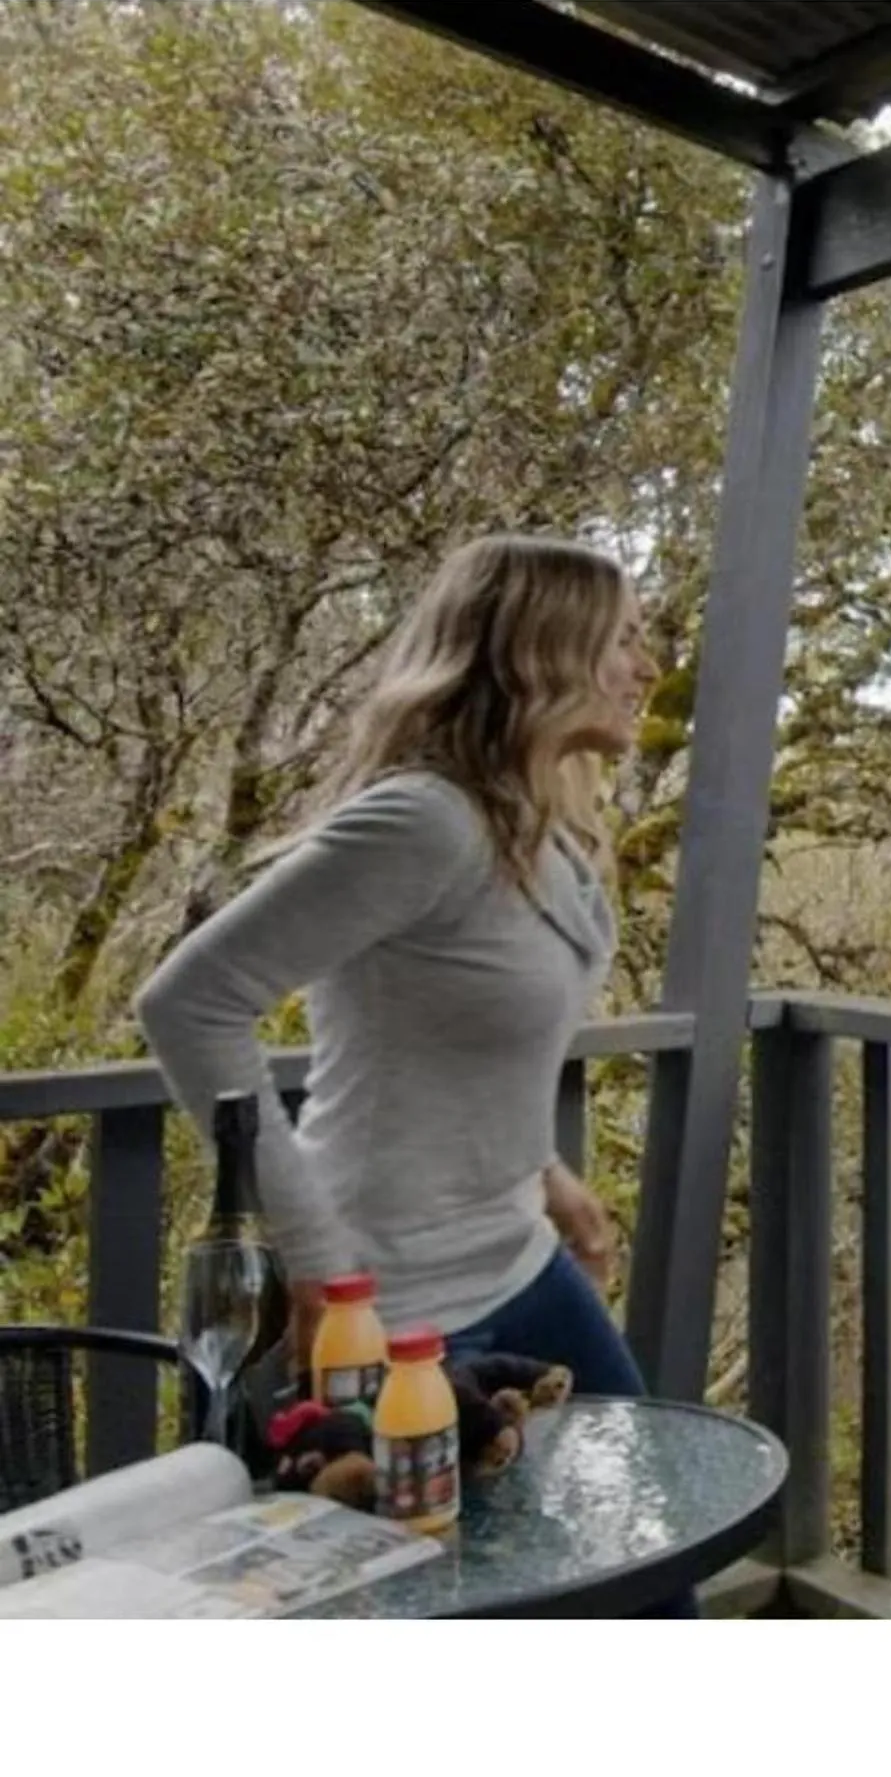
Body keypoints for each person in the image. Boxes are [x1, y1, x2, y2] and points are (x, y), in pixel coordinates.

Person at [137, 535, 658, 1403]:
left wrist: (545, 1172)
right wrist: (316, 1264)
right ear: (542, 654)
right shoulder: (423, 822)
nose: (645, 668)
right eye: (624, 640)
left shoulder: (538, 831)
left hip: (519, 1257)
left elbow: (458, 1049)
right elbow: (188, 1003)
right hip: (389, 1290)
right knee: (442, 1542)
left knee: (649, 1501)